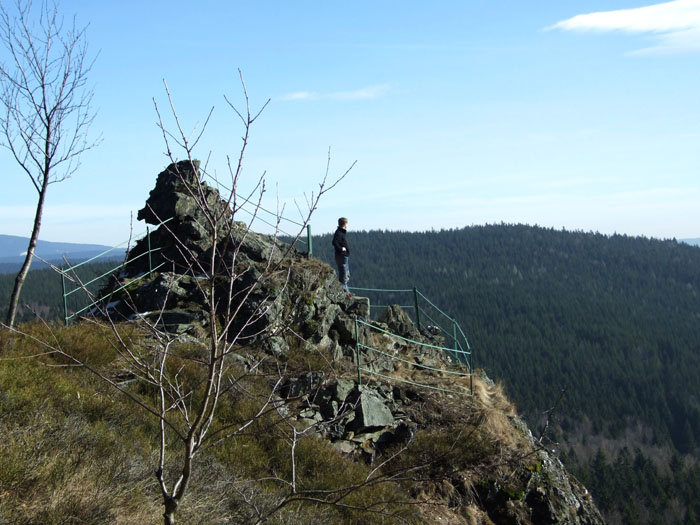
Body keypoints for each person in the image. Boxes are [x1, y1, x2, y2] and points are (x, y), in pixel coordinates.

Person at [332, 217, 351, 298]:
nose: (347, 225)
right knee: (344, 274)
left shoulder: (340, 232)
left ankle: (347, 292)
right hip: (342, 256)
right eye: (347, 223)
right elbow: (334, 242)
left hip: (343, 255)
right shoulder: (339, 233)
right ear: (345, 224)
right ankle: (345, 293)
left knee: (345, 273)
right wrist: (341, 249)